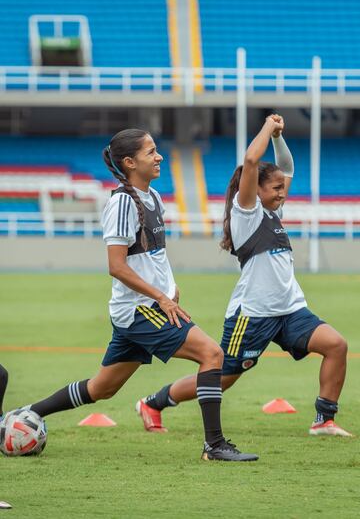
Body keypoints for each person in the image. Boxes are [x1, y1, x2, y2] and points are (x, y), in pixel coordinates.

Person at [19, 129, 258, 462]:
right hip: (140, 309)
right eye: (151, 152)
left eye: (157, 150)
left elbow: (151, 256)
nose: (159, 156)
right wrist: (161, 297)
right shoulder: (122, 203)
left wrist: (171, 289)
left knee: (102, 388)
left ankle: (25, 414)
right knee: (212, 354)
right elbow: (116, 266)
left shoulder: (154, 198)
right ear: (130, 162)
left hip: (145, 307)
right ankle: (214, 446)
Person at [136, 115, 352, 438]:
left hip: (290, 309)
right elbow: (252, 160)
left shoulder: (273, 210)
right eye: (276, 188)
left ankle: (324, 420)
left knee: (336, 345)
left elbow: (288, 169)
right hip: (252, 315)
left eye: (282, 188)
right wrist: (268, 126)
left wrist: (279, 138)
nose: (283, 193)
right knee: (221, 377)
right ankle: (153, 402)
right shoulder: (246, 212)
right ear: (256, 189)